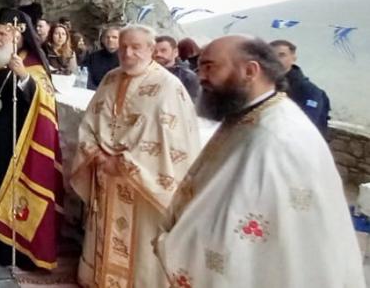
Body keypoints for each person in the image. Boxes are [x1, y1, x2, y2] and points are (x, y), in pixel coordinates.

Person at [154, 36, 364, 287]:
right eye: (200, 67)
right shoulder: (249, 115)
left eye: (210, 67)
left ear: (250, 71)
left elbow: (256, 233)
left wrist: (177, 243)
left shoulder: (277, 138)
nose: (201, 77)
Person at [69, 24, 200, 287]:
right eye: (123, 47)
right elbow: (91, 121)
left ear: (151, 49)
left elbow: (172, 142)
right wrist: (96, 154)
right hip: (105, 175)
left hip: (142, 185)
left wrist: (123, 163)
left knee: (141, 247)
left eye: (136, 47)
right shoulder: (110, 79)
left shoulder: (168, 87)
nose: (127, 53)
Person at [0, 8, 63, 270]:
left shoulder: (33, 66)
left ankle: (16, 247)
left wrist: (24, 77)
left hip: (19, 145)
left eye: (2, 34)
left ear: (17, 35)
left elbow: (45, 102)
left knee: (13, 194)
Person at [270, 39, 331, 134]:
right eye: (271, 56)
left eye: (282, 55)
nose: (276, 60)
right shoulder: (263, 85)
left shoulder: (309, 91)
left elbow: (307, 124)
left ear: (293, 58)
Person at [154, 35, 200, 101]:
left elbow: (192, 103)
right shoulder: (145, 74)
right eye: (155, 51)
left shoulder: (188, 77)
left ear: (175, 52)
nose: (158, 54)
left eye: (163, 50)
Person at [81, 25, 120, 89]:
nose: (110, 39)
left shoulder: (126, 59)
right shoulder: (93, 57)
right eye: (107, 37)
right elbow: (85, 75)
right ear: (102, 40)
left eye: (114, 37)